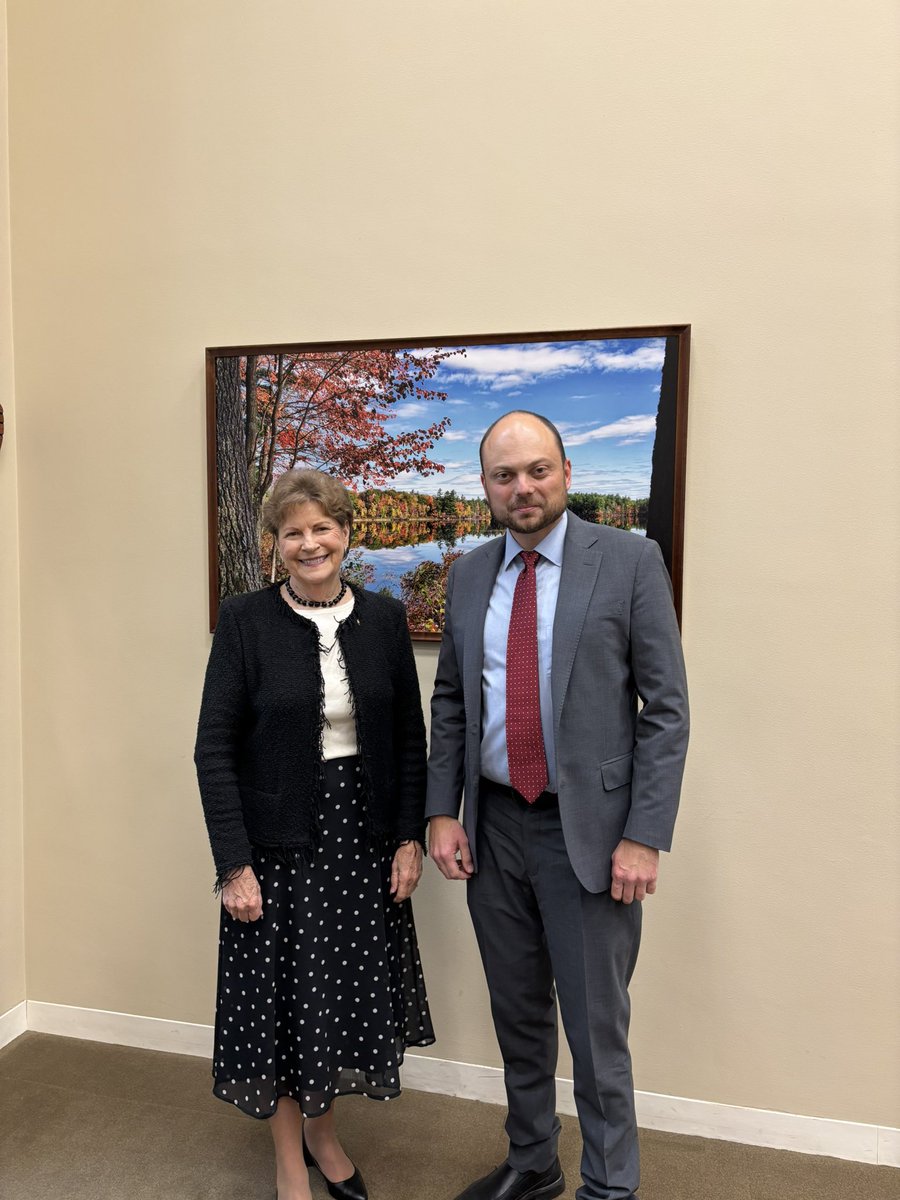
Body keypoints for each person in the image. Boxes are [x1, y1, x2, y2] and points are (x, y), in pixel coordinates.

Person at [426, 412, 689, 1200]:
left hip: (592, 837)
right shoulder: (469, 573)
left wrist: (643, 834)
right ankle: (533, 1163)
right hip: (494, 827)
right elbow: (451, 701)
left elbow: (666, 710)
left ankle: (609, 1188)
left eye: (537, 470)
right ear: (484, 486)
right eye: (504, 475)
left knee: (596, 1031)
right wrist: (443, 810)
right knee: (518, 1017)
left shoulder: (631, 561)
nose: (523, 488)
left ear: (567, 472)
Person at [195, 468, 434, 1200]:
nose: (309, 543)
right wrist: (233, 865)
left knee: (334, 998)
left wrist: (408, 837)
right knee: (285, 1003)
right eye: (293, 531)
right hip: (278, 846)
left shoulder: (384, 618)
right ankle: (289, 1162)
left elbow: (409, 738)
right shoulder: (246, 620)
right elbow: (213, 749)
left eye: (322, 528)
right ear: (276, 542)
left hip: (361, 839)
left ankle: (324, 1136)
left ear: (347, 534)